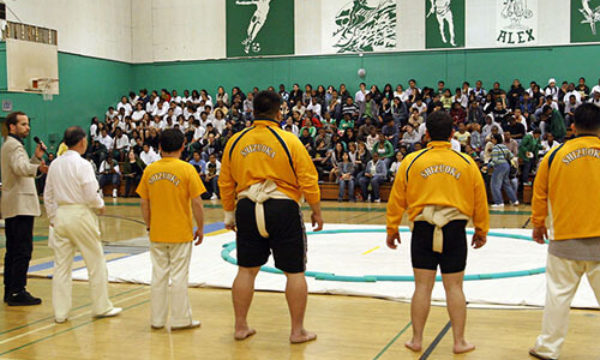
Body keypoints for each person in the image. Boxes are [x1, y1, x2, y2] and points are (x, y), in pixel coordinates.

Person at [218, 90, 323, 343]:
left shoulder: (235, 141)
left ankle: (240, 327)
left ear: (253, 111)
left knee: (246, 270)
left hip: (246, 207)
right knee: (295, 272)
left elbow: (224, 181)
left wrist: (229, 213)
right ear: (279, 112)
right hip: (282, 206)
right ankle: (297, 331)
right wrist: (316, 209)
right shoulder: (289, 140)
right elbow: (308, 178)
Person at [386, 110, 489, 355]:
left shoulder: (411, 161)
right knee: (455, 288)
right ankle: (459, 341)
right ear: (453, 134)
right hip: (455, 230)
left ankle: (416, 339)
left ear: (427, 134)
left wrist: (392, 228)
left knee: (422, 287)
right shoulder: (466, 163)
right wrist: (481, 229)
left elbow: (396, 199)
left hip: (422, 228)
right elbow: (480, 200)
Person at [529, 104, 600, 360]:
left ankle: (548, 348)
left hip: (564, 238)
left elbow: (539, 193)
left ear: (572, 126)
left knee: (557, 298)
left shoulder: (554, 156)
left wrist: (538, 223)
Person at [44, 126, 122, 322]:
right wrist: (100, 205)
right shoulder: (83, 164)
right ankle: (101, 306)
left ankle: (60, 313)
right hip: (79, 213)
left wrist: (53, 218)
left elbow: (48, 194)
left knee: (61, 266)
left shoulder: (55, 164)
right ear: (81, 142)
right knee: (95, 262)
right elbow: (90, 192)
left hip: (61, 215)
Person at [136, 129, 206, 331]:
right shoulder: (187, 170)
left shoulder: (150, 170)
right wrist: (200, 228)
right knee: (179, 277)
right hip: (180, 232)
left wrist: (149, 224)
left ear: (159, 147)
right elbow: (197, 203)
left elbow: (144, 202)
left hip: (157, 232)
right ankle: (180, 319)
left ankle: (157, 320)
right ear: (183, 146)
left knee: (158, 276)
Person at [1, 111, 48, 305]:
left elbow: (20, 169)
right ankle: (18, 291)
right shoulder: (14, 146)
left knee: (13, 249)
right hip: (21, 205)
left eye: (27, 124)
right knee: (22, 249)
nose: (27, 128)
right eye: (23, 124)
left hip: (13, 203)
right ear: (12, 127)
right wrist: (39, 168)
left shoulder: (9, 145)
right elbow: (21, 169)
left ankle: (10, 290)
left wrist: (36, 159)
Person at [487, 134, 519, 207]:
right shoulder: (504, 146)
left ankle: (499, 202)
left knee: (495, 185)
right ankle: (515, 200)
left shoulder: (495, 148)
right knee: (506, 184)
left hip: (499, 167)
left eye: (492, 139)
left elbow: (494, 160)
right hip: (506, 166)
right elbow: (511, 156)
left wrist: (488, 166)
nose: (491, 140)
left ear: (495, 140)